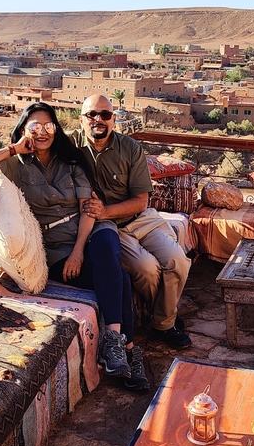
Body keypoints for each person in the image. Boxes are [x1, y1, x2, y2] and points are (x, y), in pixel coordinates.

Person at [0, 102, 150, 391]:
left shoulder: (70, 160)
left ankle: (113, 342)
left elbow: (88, 209)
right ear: (25, 130)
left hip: (87, 232)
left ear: (56, 129)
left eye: (48, 126)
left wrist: (78, 252)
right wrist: (12, 149)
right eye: (35, 127)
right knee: (120, 278)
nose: (42, 132)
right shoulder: (14, 163)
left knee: (106, 240)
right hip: (55, 248)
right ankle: (128, 350)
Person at [72, 95, 192, 349]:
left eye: (105, 115)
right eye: (92, 114)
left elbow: (141, 201)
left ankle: (163, 323)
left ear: (114, 120)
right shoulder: (70, 146)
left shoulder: (130, 148)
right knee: (147, 269)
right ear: (81, 119)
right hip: (112, 229)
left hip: (141, 219)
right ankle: (165, 320)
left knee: (177, 260)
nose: (98, 120)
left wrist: (104, 211)